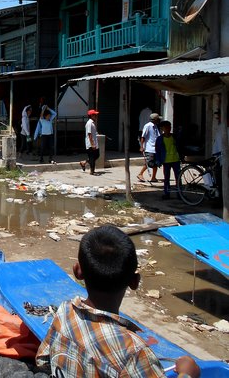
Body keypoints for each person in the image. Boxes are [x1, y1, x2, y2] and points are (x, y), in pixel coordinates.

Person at [36, 225, 200, 378]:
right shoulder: (134, 352)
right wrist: (187, 374)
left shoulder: (64, 312)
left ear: (78, 271)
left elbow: (43, 361)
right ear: (135, 282)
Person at [155, 120, 181, 199]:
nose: (168, 129)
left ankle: (179, 194)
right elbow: (157, 151)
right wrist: (158, 160)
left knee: (178, 178)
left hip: (176, 160)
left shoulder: (174, 137)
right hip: (166, 161)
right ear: (162, 129)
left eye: (169, 127)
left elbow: (179, 146)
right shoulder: (160, 139)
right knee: (166, 178)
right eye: (166, 127)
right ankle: (167, 193)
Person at [138, 112, 161, 183]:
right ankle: (140, 174)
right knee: (149, 163)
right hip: (149, 148)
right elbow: (143, 137)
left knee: (155, 163)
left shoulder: (156, 126)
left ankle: (153, 177)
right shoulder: (148, 126)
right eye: (158, 119)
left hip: (155, 148)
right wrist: (142, 146)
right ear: (155, 119)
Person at [80, 109, 100, 175]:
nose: (96, 116)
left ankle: (84, 163)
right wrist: (92, 144)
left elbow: (94, 133)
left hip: (94, 143)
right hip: (91, 144)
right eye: (95, 115)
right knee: (92, 157)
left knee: (96, 155)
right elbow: (89, 134)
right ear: (91, 115)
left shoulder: (92, 123)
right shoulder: (89, 123)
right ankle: (92, 171)